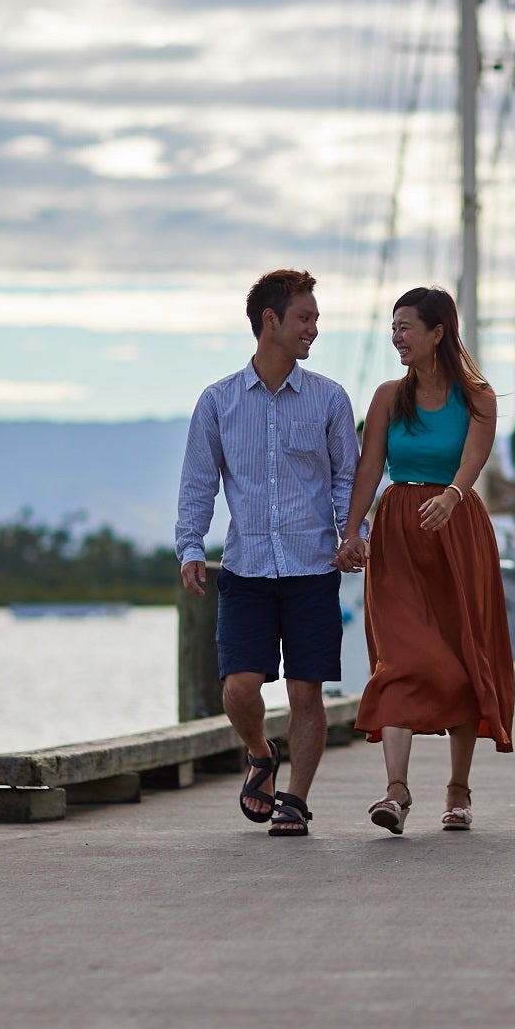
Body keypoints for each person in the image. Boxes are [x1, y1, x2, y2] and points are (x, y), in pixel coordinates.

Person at [175, 269, 360, 838]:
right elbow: (198, 482)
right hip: (247, 568)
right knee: (238, 687)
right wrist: (190, 545)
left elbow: (347, 479)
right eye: (305, 318)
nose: (314, 329)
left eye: (317, 319)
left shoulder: (329, 398)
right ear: (270, 322)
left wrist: (354, 537)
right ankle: (260, 753)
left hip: (312, 567)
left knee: (307, 691)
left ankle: (295, 801)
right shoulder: (218, 401)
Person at [337, 286, 514, 834]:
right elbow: (370, 468)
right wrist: (352, 529)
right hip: (398, 534)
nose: (397, 337)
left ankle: (458, 793)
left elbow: (473, 459)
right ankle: (395, 792)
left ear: (438, 332)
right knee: (401, 657)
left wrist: (453, 497)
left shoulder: (478, 396)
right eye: (393, 328)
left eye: (407, 327)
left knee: (464, 657)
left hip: (457, 532)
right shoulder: (389, 395)